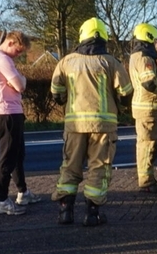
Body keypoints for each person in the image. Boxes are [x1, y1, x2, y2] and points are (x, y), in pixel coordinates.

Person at [50, 17, 132, 227]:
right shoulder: (111, 62)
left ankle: (65, 212)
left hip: (75, 124)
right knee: (99, 167)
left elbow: (56, 92)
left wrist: (67, 101)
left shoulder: (66, 62)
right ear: (103, 37)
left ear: (81, 37)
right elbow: (125, 93)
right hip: (103, 126)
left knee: (70, 165)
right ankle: (92, 213)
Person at [0, 31, 41, 215]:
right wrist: (20, 79)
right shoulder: (2, 60)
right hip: (6, 113)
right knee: (7, 158)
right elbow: (21, 85)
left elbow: (16, 84)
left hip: (8, 113)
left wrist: (17, 81)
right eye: (18, 51)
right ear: (10, 42)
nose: (18, 55)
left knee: (17, 155)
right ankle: (1, 200)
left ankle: (22, 192)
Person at [129, 22, 157, 193]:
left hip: (144, 107)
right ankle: (146, 182)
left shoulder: (136, 56)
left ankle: (148, 178)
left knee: (146, 144)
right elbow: (149, 82)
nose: (156, 43)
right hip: (148, 108)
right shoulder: (145, 58)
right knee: (148, 146)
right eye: (155, 40)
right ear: (149, 37)